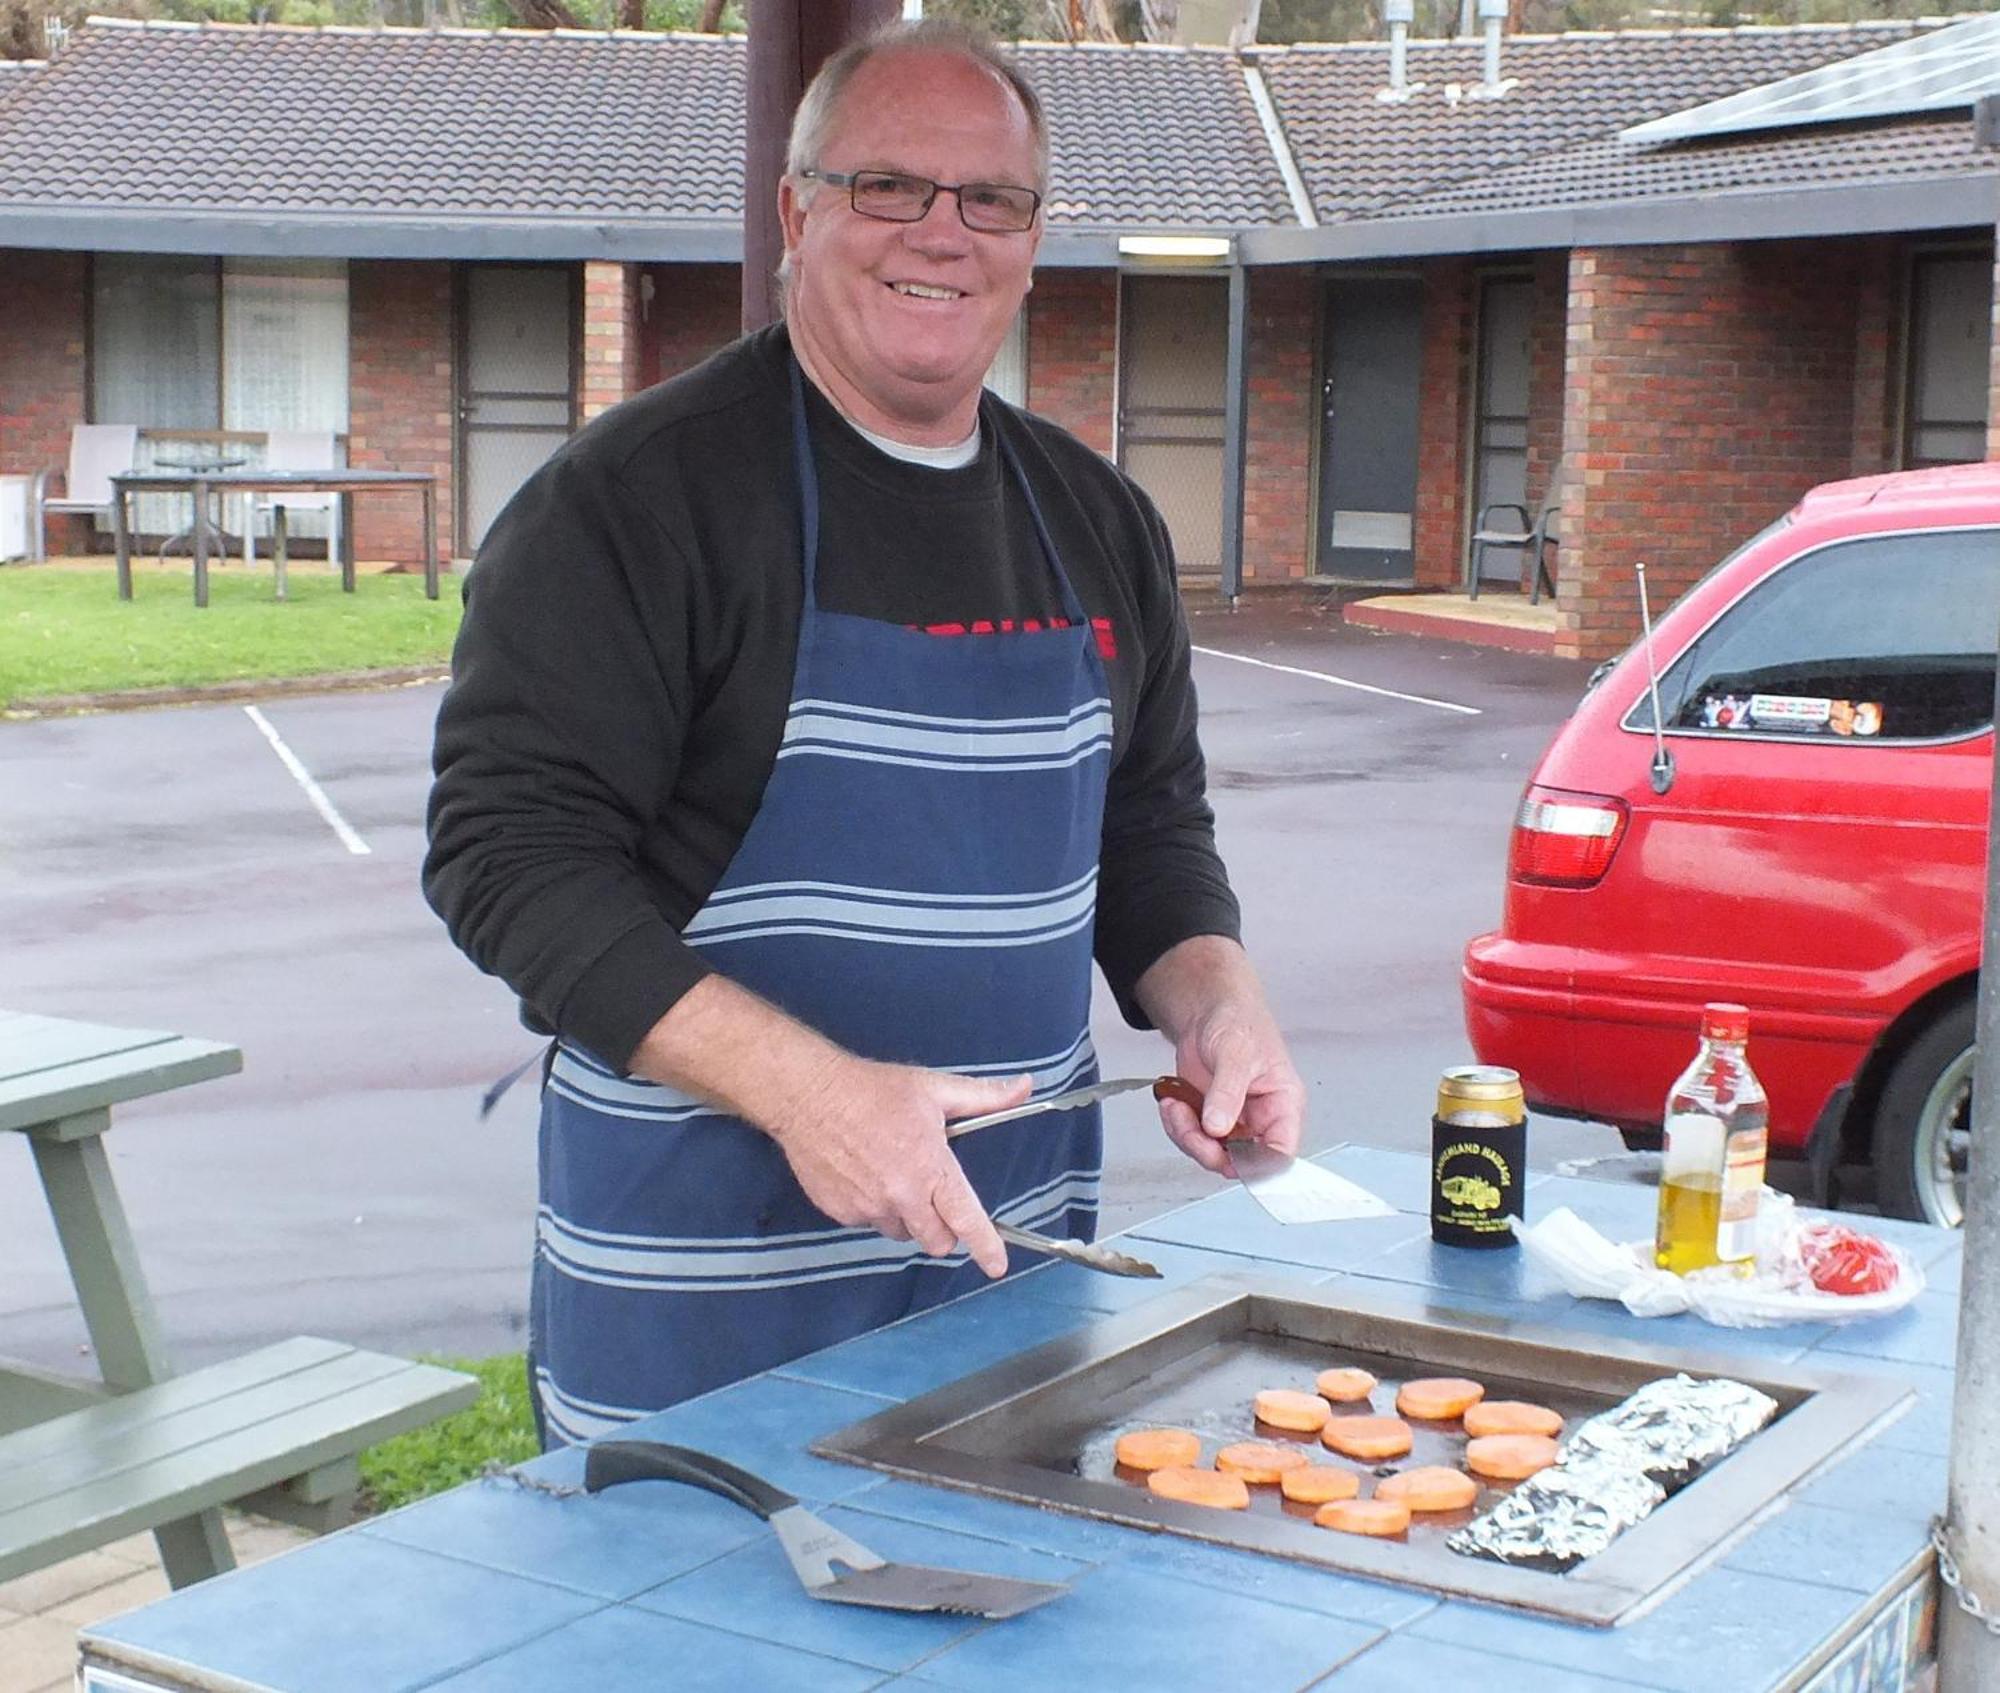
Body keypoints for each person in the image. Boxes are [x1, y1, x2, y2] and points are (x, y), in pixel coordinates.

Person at [424, 18, 1305, 1448]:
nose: (941, 234)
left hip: (1007, 1299)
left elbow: (1147, 827)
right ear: (796, 212)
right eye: (888, 186)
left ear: (1032, 235)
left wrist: (1216, 1005)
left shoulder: (1100, 523)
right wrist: (813, 1096)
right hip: (700, 1318)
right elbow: (508, 863)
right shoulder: (636, 500)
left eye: (991, 199)